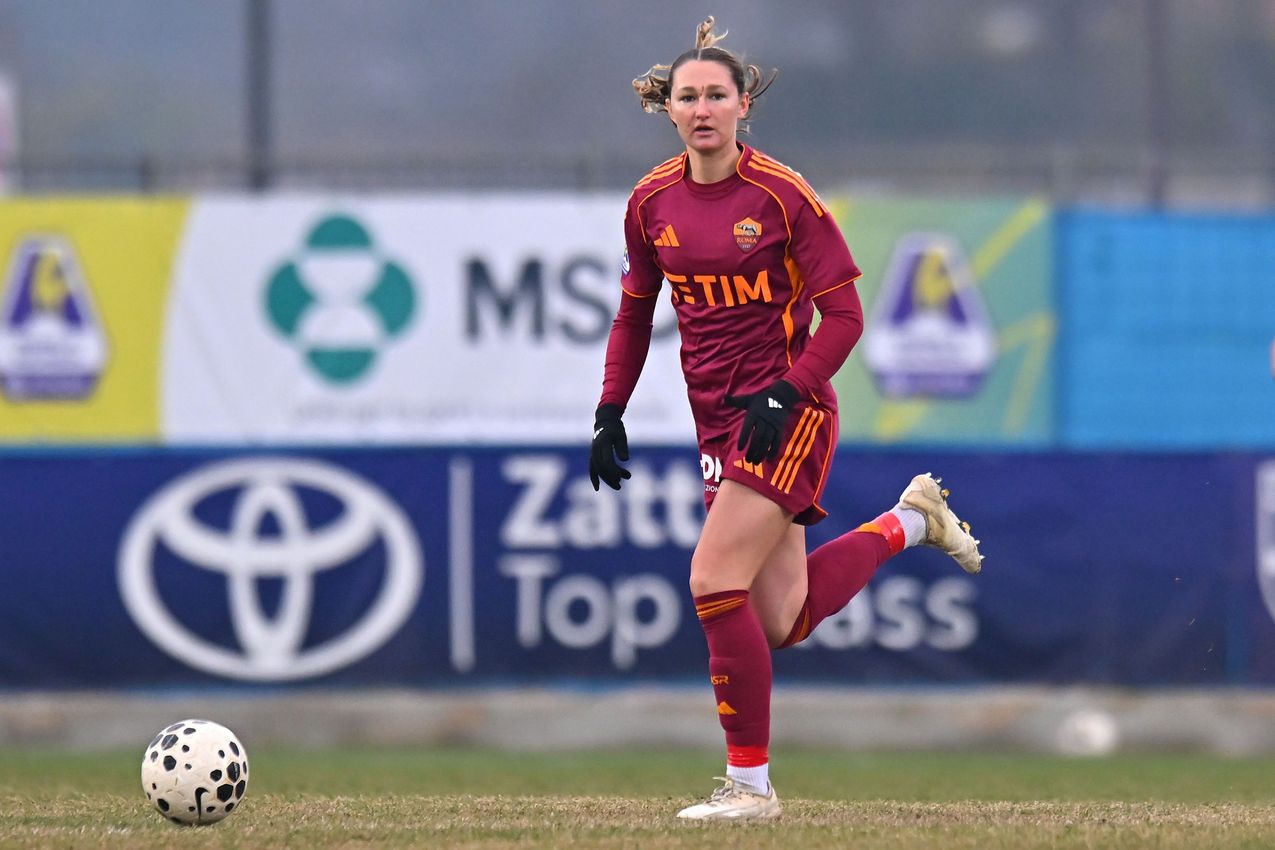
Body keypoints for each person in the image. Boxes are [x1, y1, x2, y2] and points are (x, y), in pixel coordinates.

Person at [588, 16, 984, 822]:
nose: (702, 109)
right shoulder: (650, 201)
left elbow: (844, 317)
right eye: (687, 97)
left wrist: (786, 389)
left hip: (787, 412)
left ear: (743, 104)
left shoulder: (781, 195)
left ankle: (750, 789)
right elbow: (633, 314)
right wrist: (608, 409)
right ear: (668, 108)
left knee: (711, 580)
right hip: (715, 421)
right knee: (780, 619)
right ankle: (910, 522)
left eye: (717, 95)